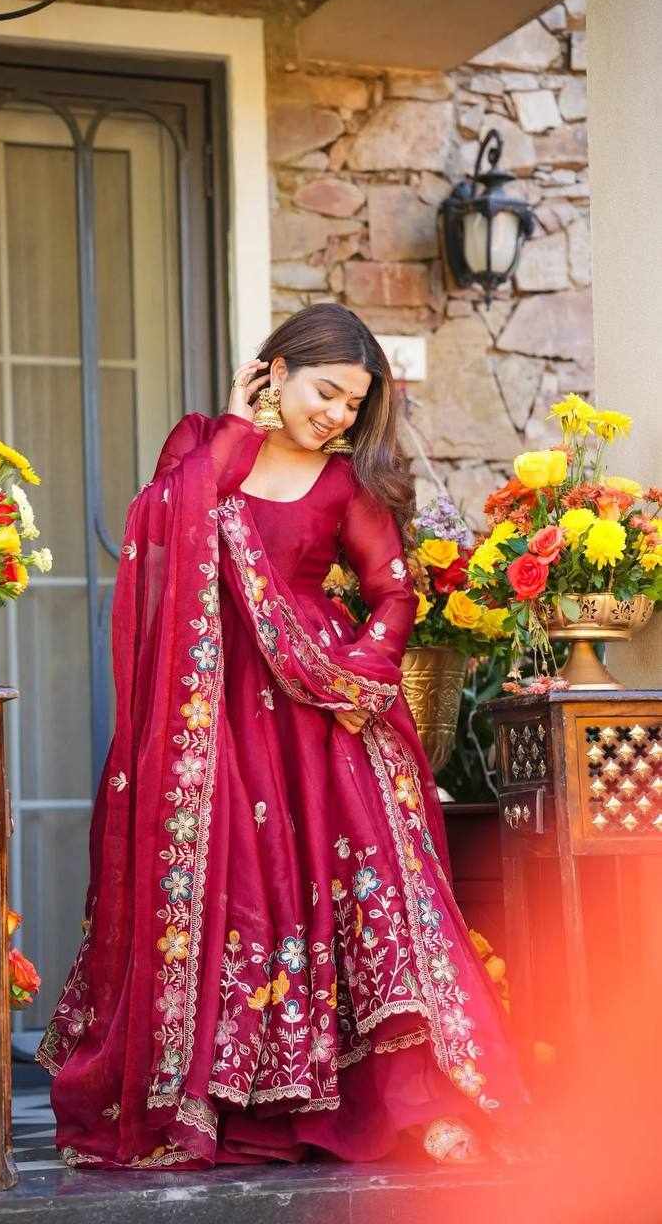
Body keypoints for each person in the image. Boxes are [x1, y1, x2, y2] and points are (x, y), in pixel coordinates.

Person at [35, 302, 529, 1170]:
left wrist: (361, 673)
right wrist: (235, 425)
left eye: (352, 404)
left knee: (372, 896)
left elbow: (393, 591)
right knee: (226, 888)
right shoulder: (204, 450)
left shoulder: (344, 483)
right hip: (210, 720)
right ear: (276, 371)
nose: (335, 414)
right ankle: (222, 1104)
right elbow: (163, 524)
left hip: (319, 720)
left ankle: (409, 1102)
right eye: (324, 392)